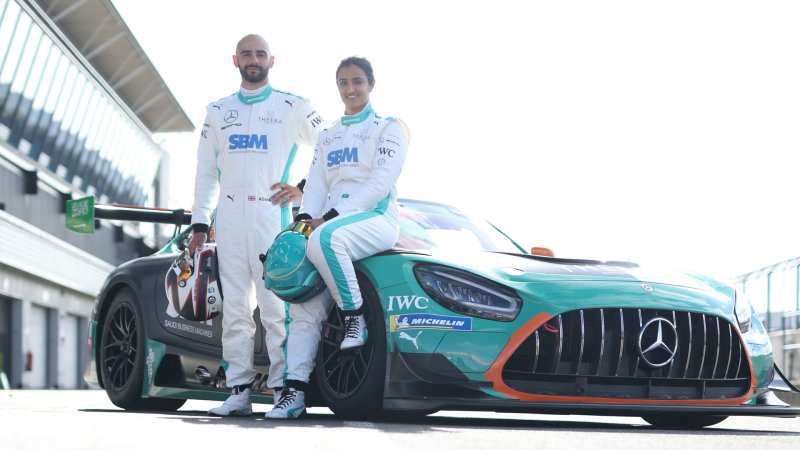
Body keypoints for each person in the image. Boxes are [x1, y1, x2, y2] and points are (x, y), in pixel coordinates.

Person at [265, 56, 410, 419]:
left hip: (373, 218)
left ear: (371, 84)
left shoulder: (389, 127)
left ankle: (353, 316)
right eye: (343, 82)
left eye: (357, 81)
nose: (350, 89)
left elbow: (380, 184)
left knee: (324, 240)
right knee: (303, 307)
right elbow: (314, 187)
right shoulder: (328, 135)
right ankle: (293, 392)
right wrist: (300, 224)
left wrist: (328, 219)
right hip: (328, 224)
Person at [188, 34, 323, 417]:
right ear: (235, 60)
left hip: (271, 217)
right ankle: (239, 391)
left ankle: (283, 390)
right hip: (228, 219)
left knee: (275, 308)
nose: (253, 59)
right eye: (246, 53)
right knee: (235, 309)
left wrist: (302, 189)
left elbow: (327, 145)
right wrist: (200, 222)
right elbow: (204, 171)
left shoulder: (292, 106)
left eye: (260, 54)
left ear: (272, 60)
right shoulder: (217, 111)